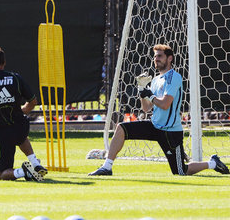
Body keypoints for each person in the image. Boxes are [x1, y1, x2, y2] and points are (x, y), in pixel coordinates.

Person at [88, 44, 229, 176]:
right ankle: (107, 167)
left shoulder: (174, 77)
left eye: (159, 56)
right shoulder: (155, 80)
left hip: (170, 131)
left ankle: (212, 163)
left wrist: (151, 95)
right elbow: (146, 108)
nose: (156, 59)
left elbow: (165, 104)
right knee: (121, 128)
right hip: (154, 125)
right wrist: (142, 92)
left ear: (170, 58)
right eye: (155, 56)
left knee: (180, 171)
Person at [0, 46, 47, 181]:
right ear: (4, 62)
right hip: (20, 127)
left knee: (0, 175)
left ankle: (23, 172)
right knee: (21, 137)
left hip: (2, 132)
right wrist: (22, 110)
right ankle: (35, 164)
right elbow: (33, 101)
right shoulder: (16, 78)